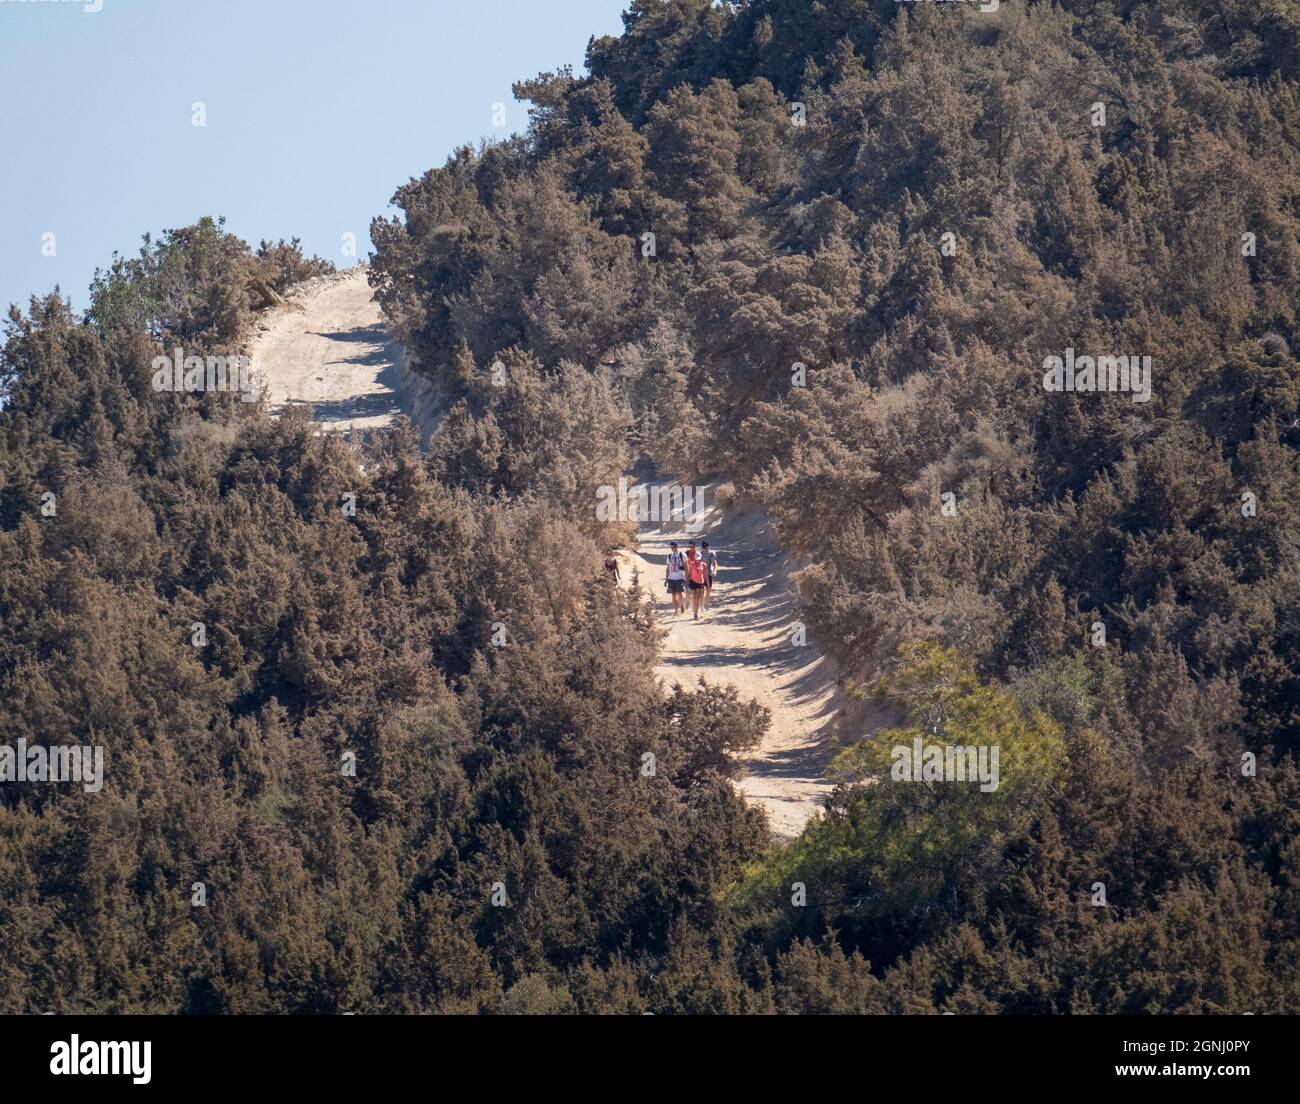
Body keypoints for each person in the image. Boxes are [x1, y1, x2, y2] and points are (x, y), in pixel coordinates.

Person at [686, 540, 708, 619]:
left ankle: (697, 612)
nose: (690, 547)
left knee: (698, 597)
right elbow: (688, 570)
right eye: (690, 546)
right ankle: (694, 611)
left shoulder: (703, 563)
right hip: (693, 579)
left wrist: (707, 584)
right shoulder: (689, 558)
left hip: (700, 581)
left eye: (692, 546)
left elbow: (705, 574)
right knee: (693, 597)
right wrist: (687, 579)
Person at [665, 541, 686, 614]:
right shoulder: (669, 556)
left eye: (673, 547)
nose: (672, 548)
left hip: (680, 577)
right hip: (671, 578)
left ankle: (682, 605)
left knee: (679, 593)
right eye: (671, 547)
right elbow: (667, 568)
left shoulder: (682, 555)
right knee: (673, 595)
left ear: (677, 547)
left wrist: (687, 577)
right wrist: (666, 578)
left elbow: (687, 566)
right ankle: (676, 610)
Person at [701, 540, 718, 607]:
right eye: (704, 548)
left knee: (708, 589)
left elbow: (715, 563)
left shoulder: (711, 553)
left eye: (707, 547)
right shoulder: (700, 554)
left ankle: (706, 603)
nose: (706, 549)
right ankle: (701, 603)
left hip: (709, 573)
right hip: (701, 574)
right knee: (701, 590)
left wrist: (715, 571)